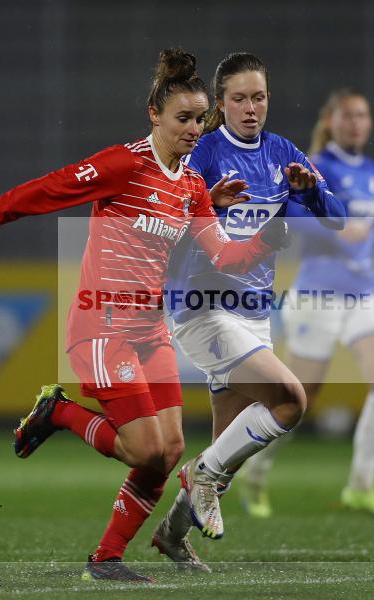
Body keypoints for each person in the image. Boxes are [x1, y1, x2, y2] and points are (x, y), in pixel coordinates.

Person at [0, 48, 288, 583]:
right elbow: (50, 189)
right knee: (143, 447)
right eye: (183, 118)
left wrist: (266, 236)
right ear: (155, 115)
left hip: (149, 331)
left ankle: (105, 560)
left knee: (170, 450)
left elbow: (226, 256)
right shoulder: (124, 165)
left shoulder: (194, 187)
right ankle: (57, 413)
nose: (194, 129)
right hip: (102, 327)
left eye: (201, 118)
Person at [151, 53, 346, 567]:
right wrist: (210, 205)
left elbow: (338, 220)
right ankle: (198, 476)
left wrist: (312, 196)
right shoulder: (204, 151)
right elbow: (169, 224)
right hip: (203, 307)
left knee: (227, 450)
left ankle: (172, 534)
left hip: (254, 312)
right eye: (238, 98)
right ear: (220, 105)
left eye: (258, 97)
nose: (250, 108)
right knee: (289, 401)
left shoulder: (282, 153)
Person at [240, 88, 374, 519]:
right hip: (319, 295)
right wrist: (335, 231)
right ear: (330, 121)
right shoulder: (316, 166)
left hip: (364, 293)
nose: (356, 122)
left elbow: (362, 232)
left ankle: (361, 485)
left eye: (363, 115)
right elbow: (290, 216)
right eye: (348, 115)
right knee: (299, 398)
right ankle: (254, 469)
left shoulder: (369, 169)